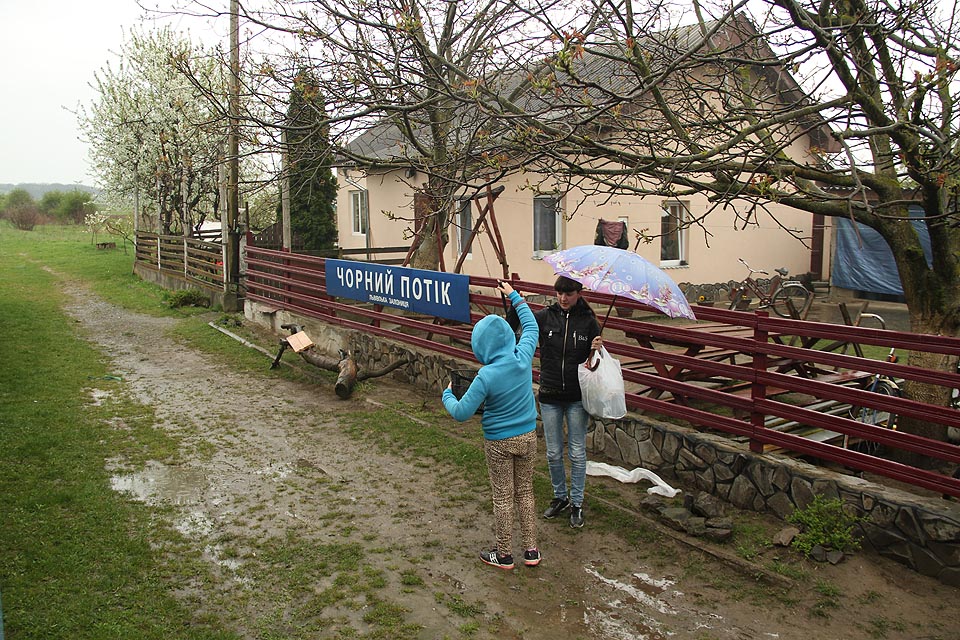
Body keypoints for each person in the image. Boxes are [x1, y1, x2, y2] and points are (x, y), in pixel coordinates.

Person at [442, 281, 541, 570]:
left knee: (503, 496)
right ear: (510, 337)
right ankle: (531, 551)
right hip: (528, 437)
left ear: (480, 346)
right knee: (525, 492)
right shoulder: (522, 358)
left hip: (499, 442)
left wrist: (447, 395)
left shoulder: (486, 375)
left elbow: (461, 413)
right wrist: (513, 295)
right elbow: (531, 327)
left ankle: (504, 553)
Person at [511, 276, 602, 528]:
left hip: (576, 397)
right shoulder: (543, 317)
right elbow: (517, 327)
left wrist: (596, 349)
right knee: (552, 452)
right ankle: (560, 497)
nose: (563, 298)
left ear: (578, 293)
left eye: (569, 293)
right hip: (550, 394)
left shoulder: (589, 322)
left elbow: (595, 365)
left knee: (577, 452)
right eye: (560, 293)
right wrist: (513, 300)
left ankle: (577, 503)